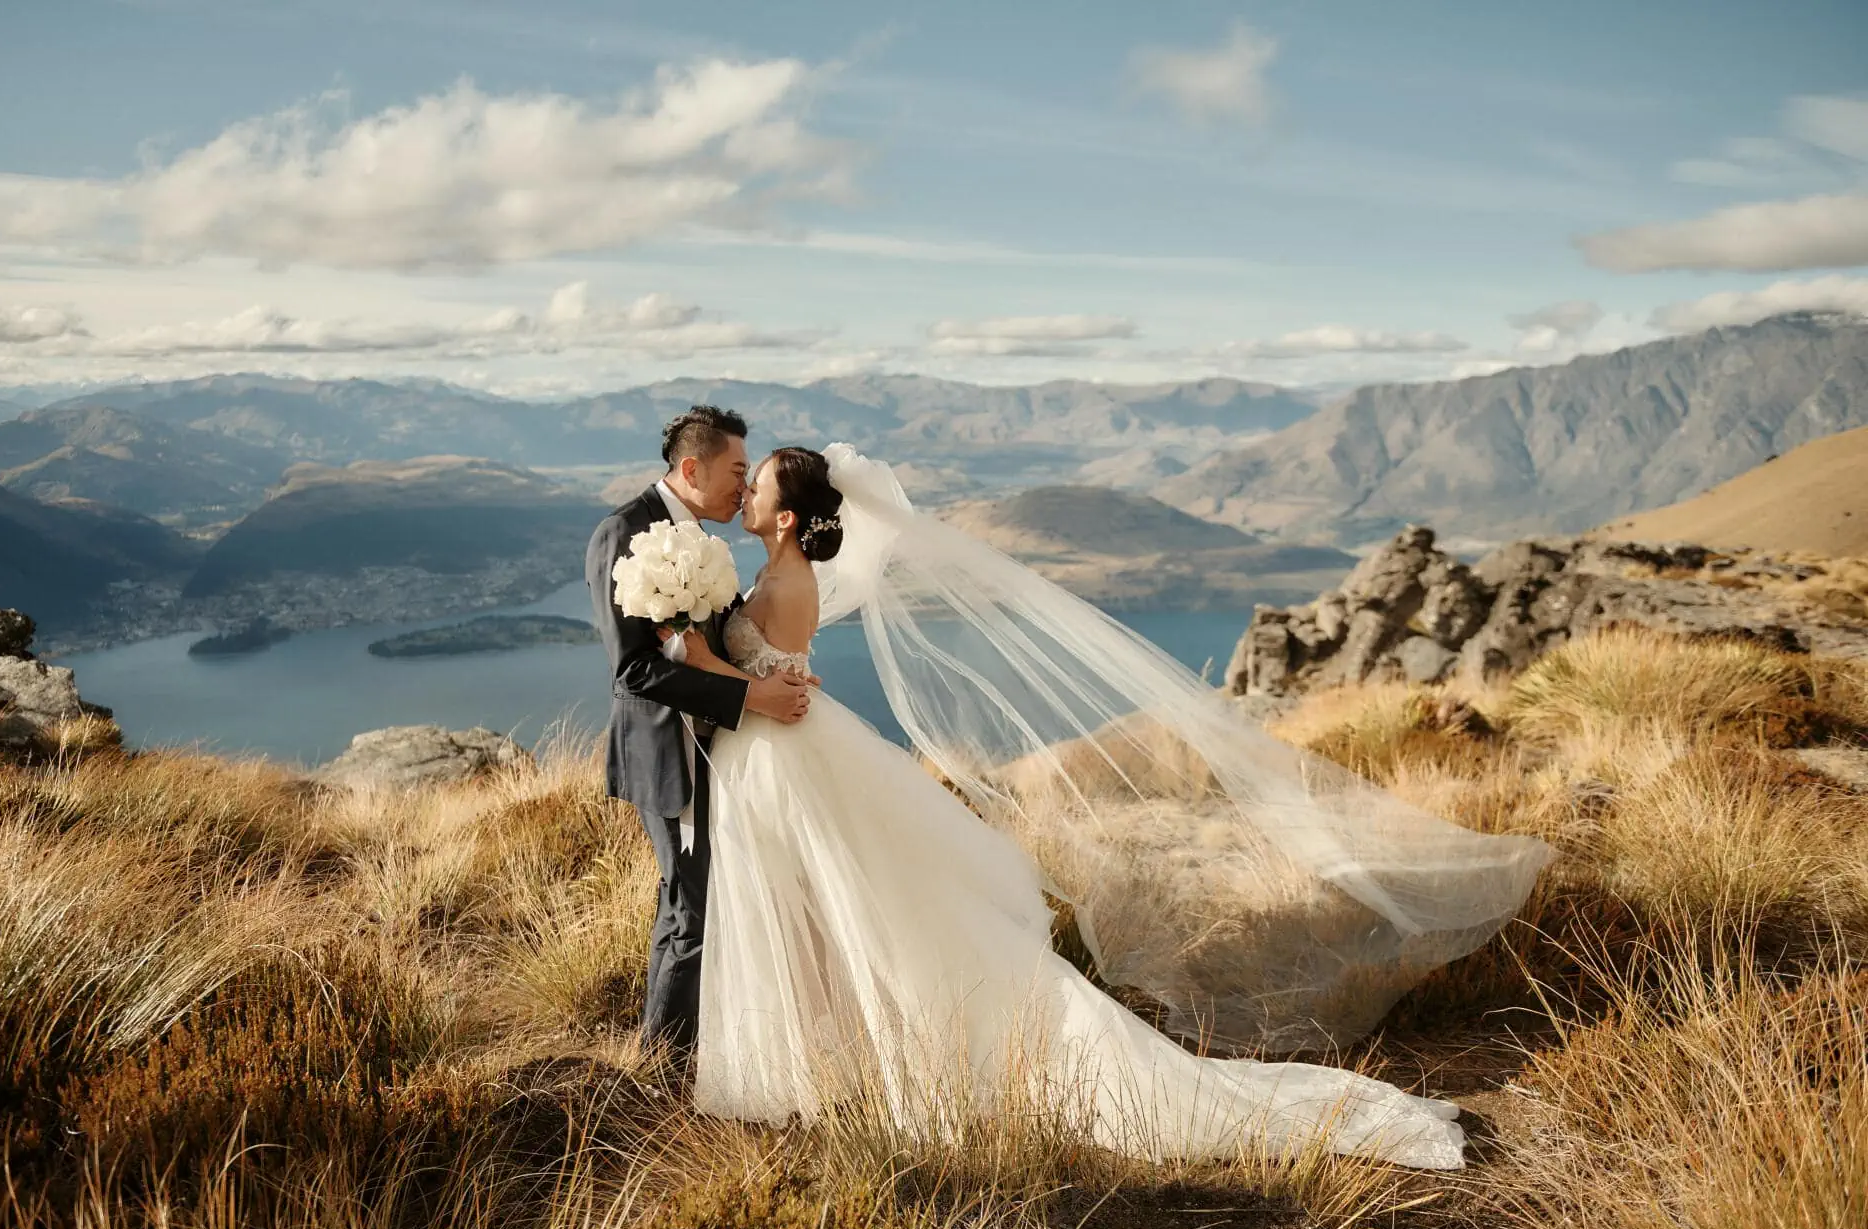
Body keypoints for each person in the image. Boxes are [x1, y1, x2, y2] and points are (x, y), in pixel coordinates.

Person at [665, 443, 1551, 1170]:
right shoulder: (777, 574)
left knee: (832, 903)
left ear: (788, 517)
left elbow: (763, 673)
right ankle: (823, 1058)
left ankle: (833, 1065)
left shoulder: (786, 583)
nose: (747, 495)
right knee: (820, 905)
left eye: (760, 486)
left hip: (784, 757)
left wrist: (688, 647)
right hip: (777, 755)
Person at [584, 406, 813, 1062]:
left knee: (686, 906)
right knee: (695, 911)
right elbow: (635, 669)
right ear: (692, 468)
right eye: (738, 472)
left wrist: (775, 669)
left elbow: (712, 634)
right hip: (667, 754)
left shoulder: (699, 539)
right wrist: (753, 696)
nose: (745, 487)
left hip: (711, 751)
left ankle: (661, 1057)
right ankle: (662, 1074)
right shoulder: (624, 532)